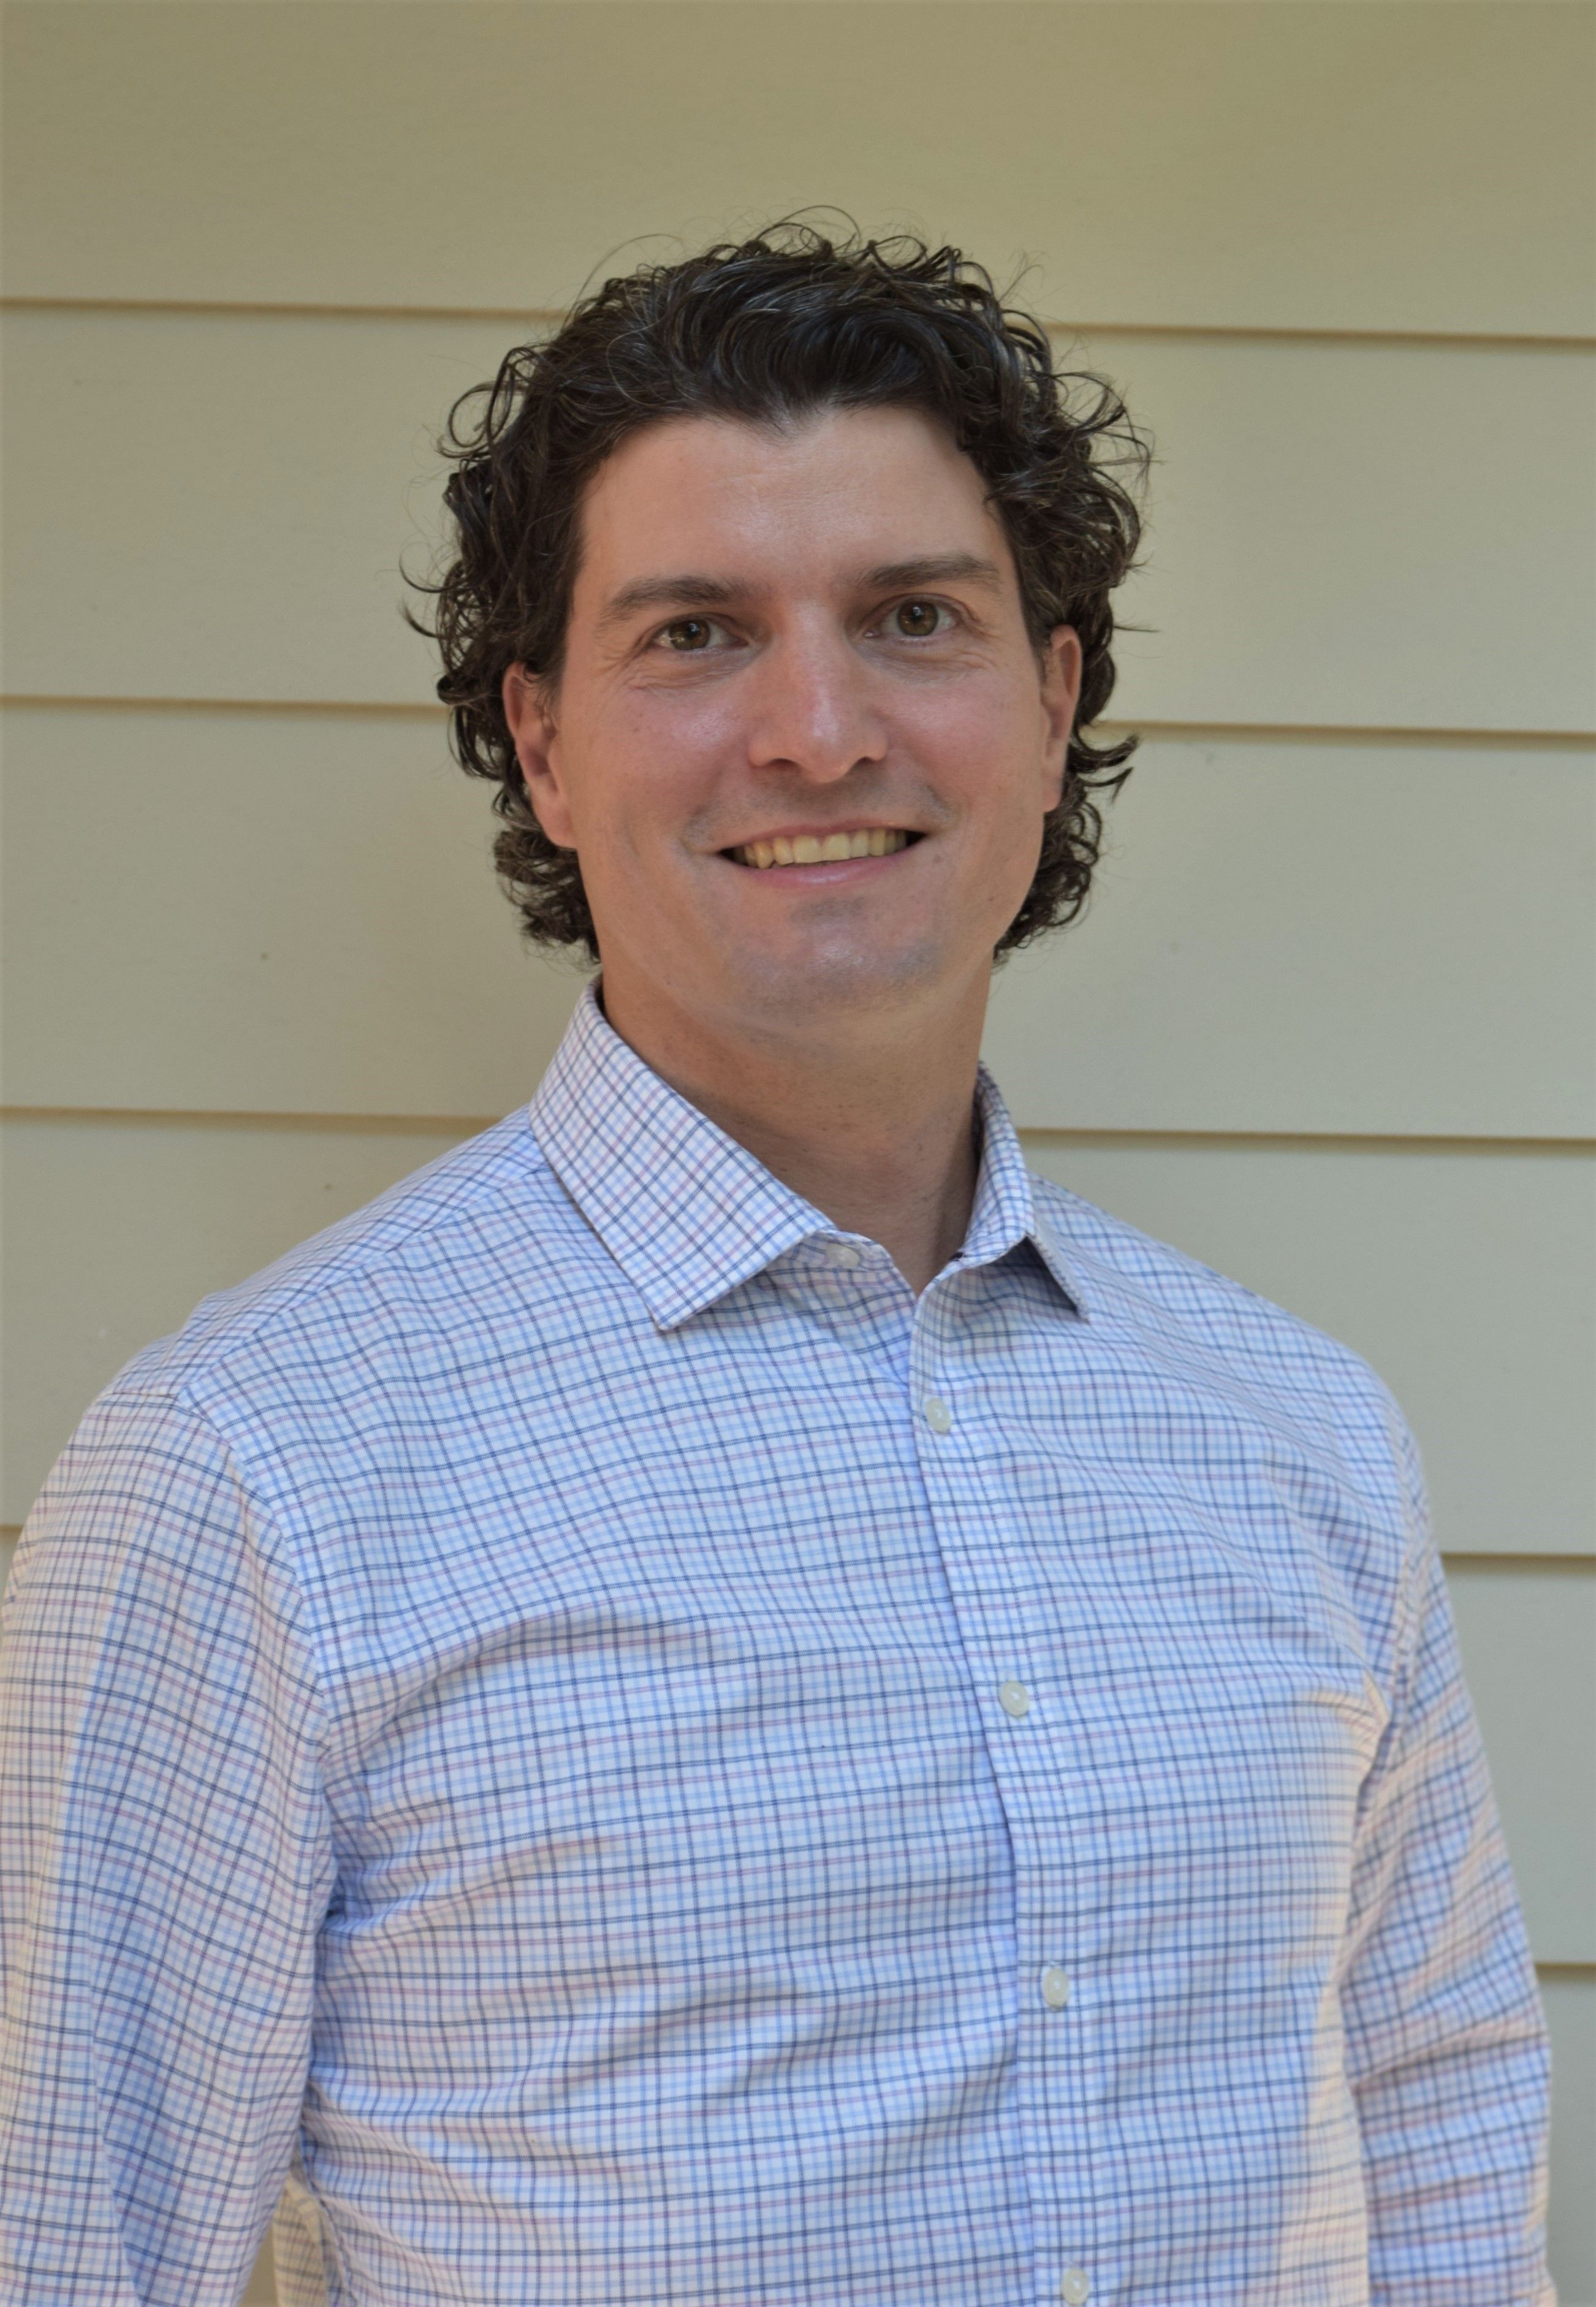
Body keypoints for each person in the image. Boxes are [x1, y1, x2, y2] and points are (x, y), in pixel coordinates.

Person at [0, 229, 1553, 2305]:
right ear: (544, 745)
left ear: (1050, 700)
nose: (818, 731)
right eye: (696, 633)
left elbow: (1442, 2153)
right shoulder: (251, 1471)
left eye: (913, 617)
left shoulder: (1298, 1429)